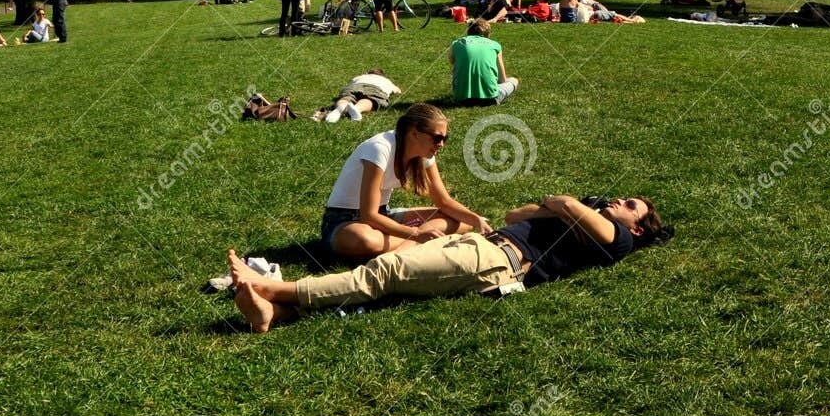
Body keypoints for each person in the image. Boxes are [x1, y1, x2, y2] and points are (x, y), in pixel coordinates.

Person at [227, 194, 666, 333]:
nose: (618, 202)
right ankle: (277, 314)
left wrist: (569, 205)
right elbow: (515, 214)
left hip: (497, 260)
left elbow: (567, 203)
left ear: (639, 228)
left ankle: (273, 289)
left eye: (630, 205)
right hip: (481, 242)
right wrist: (559, 208)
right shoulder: (585, 221)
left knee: (386, 273)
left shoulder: (621, 241)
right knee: (391, 274)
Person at [316, 103, 490, 263]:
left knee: (464, 221)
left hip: (383, 216)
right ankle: (417, 242)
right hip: (343, 221)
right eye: (437, 138)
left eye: (445, 138)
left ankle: (410, 243)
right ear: (415, 133)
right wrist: (416, 233)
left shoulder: (424, 154)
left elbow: (444, 202)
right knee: (365, 240)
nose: (441, 144)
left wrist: (477, 220)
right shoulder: (379, 148)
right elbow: (368, 216)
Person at [451, 20, 518, 105]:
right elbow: (502, 79)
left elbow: (452, 61)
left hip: (461, 98)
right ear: (488, 34)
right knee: (513, 80)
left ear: (468, 31)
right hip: (489, 99)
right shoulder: (495, 45)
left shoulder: (457, 43)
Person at [310, 68, 402, 123]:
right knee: (370, 99)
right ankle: (357, 109)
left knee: (346, 98)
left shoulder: (360, 77)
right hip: (375, 88)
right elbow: (398, 91)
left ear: (367, 73)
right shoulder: (386, 80)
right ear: (383, 76)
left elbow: (351, 82)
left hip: (355, 86)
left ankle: (340, 108)